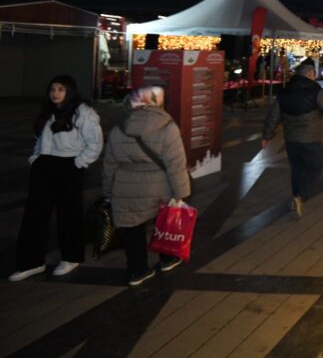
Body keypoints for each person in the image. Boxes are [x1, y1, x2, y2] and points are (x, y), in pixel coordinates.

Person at [9, 76, 103, 282]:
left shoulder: (83, 113)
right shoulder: (48, 112)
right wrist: (36, 157)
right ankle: (31, 262)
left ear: (70, 91)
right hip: (44, 165)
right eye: (52, 89)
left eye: (61, 89)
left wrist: (78, 163)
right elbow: (40, 139)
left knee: (68, 214)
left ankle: (71, 257)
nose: (55, 93)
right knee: (34, 215)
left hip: (69, 165)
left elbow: (95, 143)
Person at [102, 86, 191, 286]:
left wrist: (108, 191)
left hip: (125, 184)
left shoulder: (118, 128)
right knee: (164, 221)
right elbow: (176, 164)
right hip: (159, 183)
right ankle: (167, 259)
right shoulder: (168, 126)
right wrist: (181, 193)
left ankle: (138, 271)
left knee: (131, 228)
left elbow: (109, 164)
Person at [263, 63, 323, 218]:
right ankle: (301, 197)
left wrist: (267, 136)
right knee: (315, 169)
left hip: (291, 139)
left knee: (297, 169)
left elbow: (273, 116)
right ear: (310, 74)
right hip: (311, 139)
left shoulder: (284, 91)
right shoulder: (315, 90)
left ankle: (296, 196)